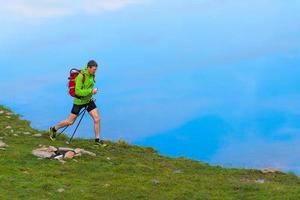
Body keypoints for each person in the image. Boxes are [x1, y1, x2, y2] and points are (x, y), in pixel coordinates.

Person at [49, 60, 106, 146]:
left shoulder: (92, 75)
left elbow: (88, 87)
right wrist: (91, 91)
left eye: (96, 69)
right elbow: (78, 91)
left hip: (88, 101)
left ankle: (97, 141)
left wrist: (91, 96)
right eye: (94, 69)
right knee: (70, 122)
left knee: (97, 119)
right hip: (79, 102)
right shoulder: (81, 76)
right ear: (88, 68)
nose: (95, 71)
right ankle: (54, 129)